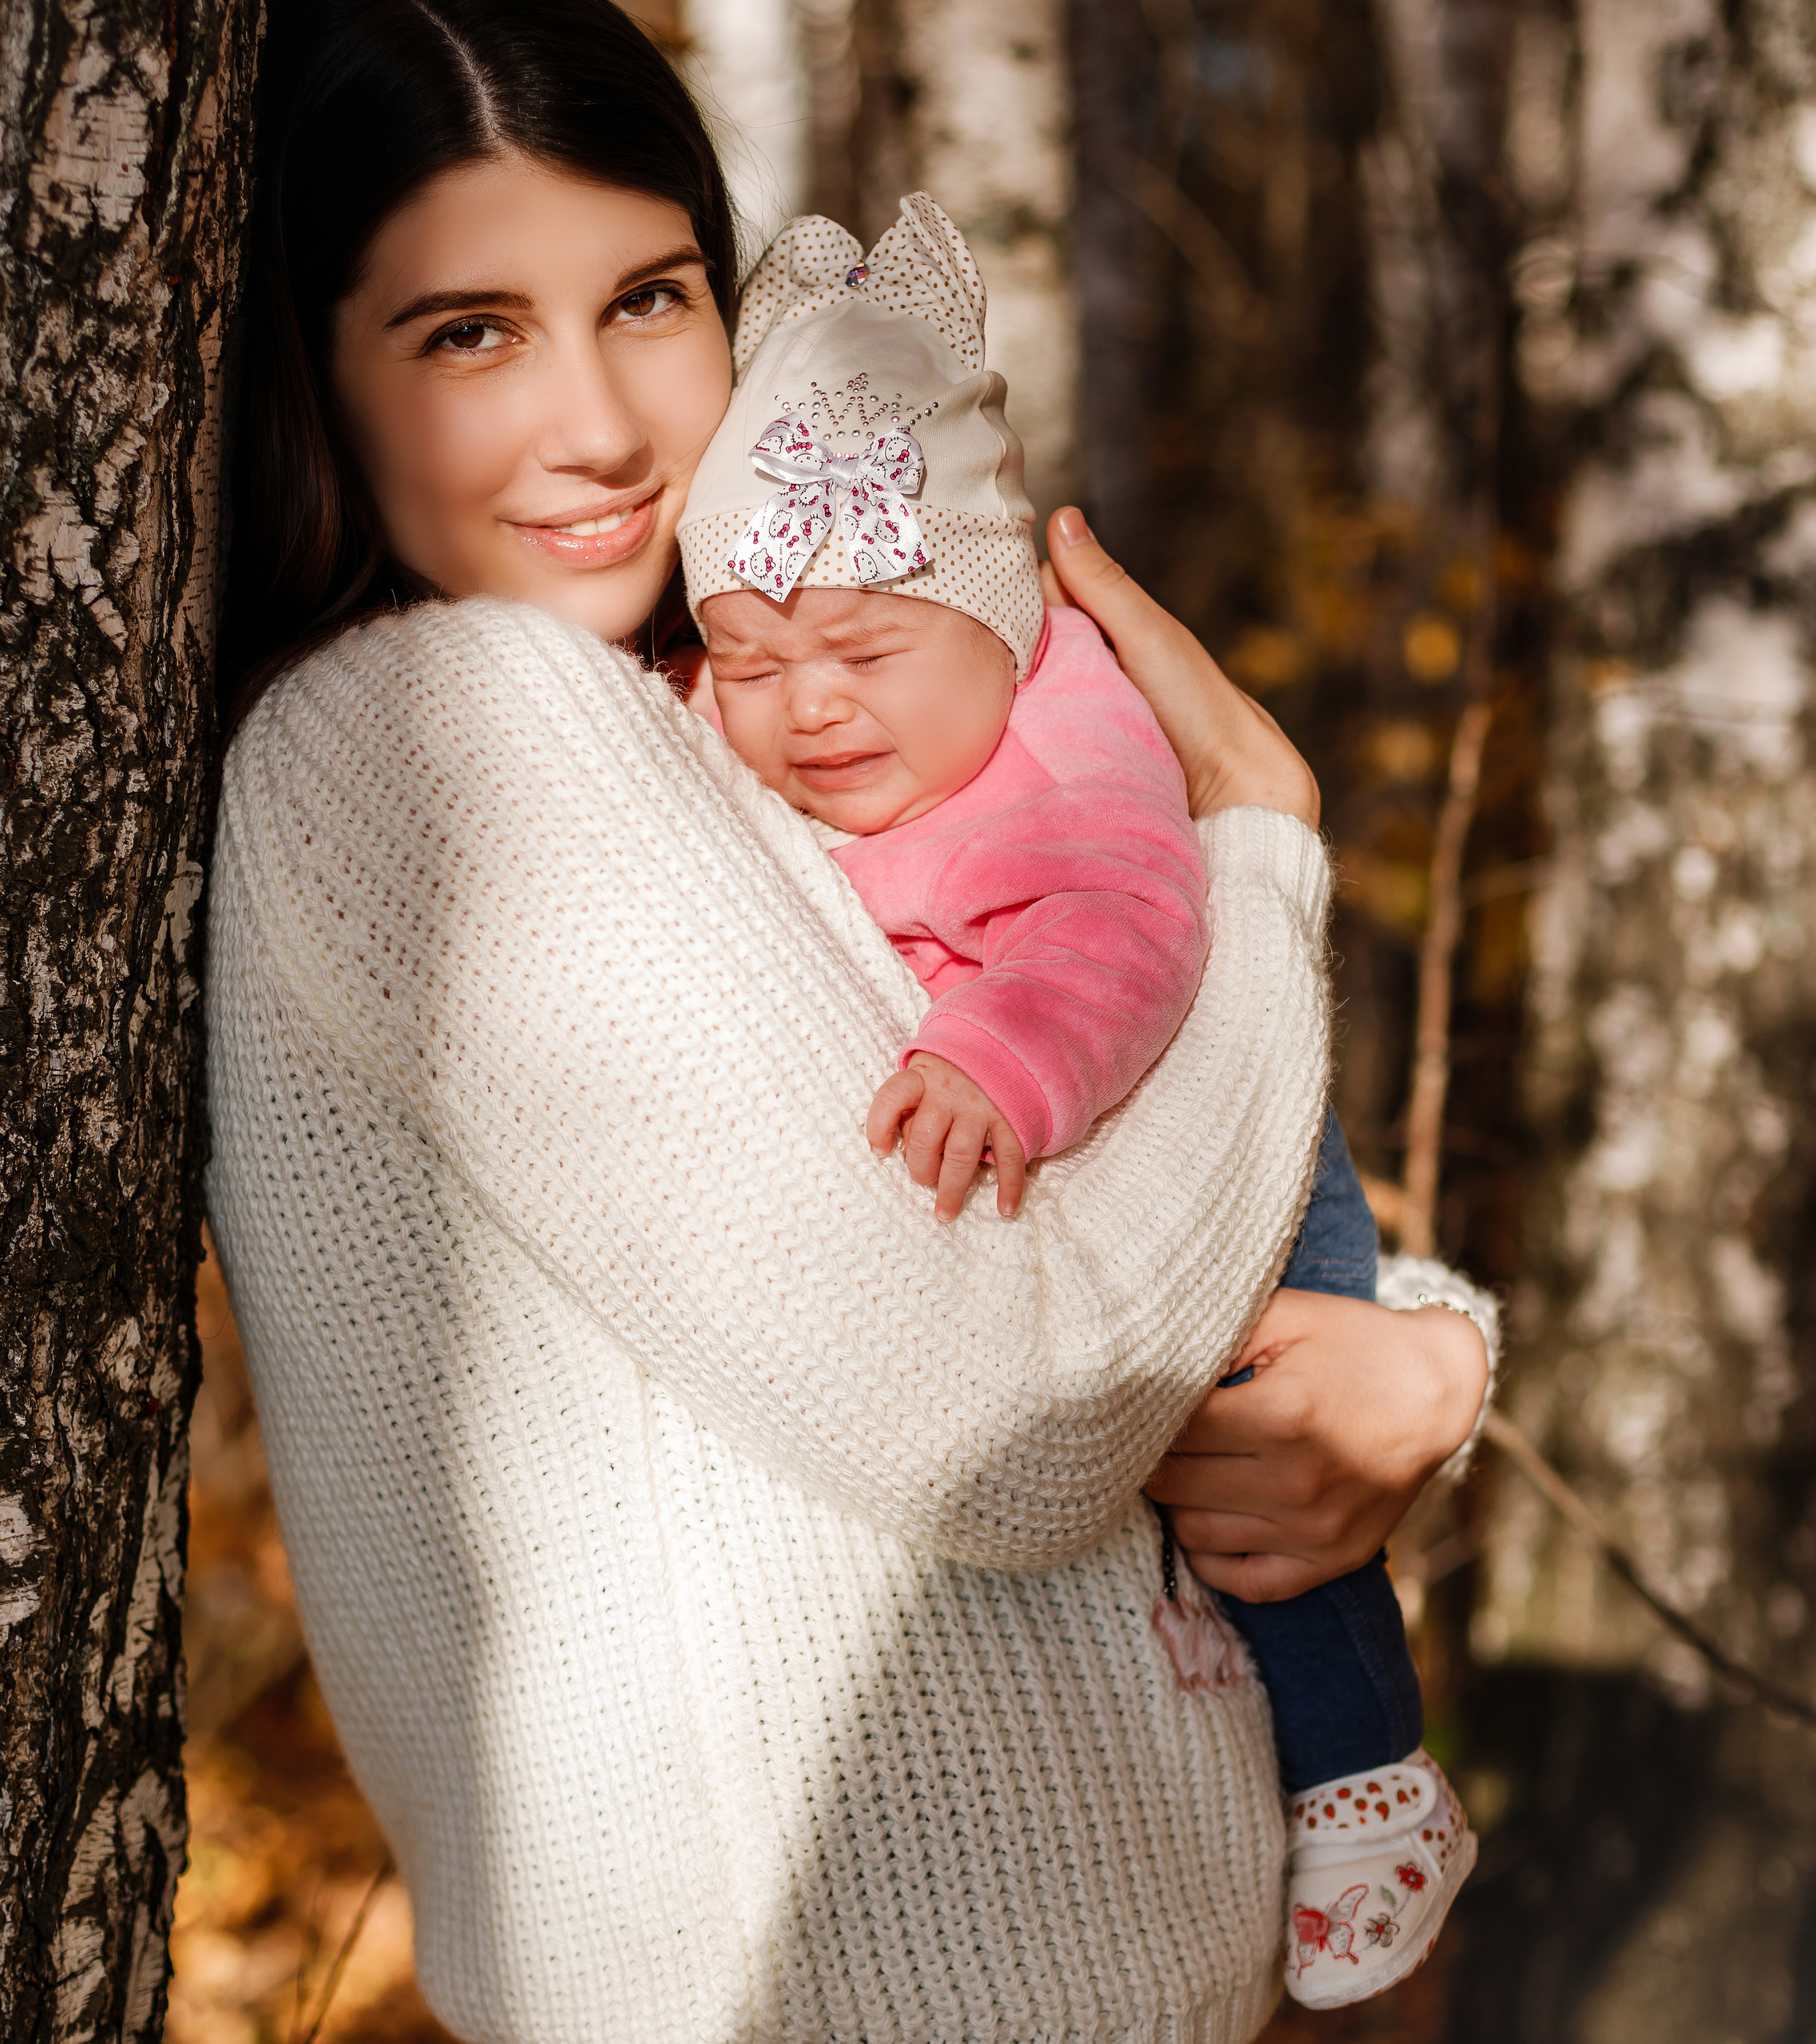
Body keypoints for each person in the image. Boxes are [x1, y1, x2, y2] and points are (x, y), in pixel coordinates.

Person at [207, 3, 1496, 2039]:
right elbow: (1027, 1402)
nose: (604, 425)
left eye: (646, 296)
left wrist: (1421, 1354)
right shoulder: (442, 738)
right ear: (312, 382)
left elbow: (1093, 1185)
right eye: (467, 332)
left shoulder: (729, 711)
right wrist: (1254, 853)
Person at [679, 193, 1477, 2007]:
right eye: (742, 656)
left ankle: (1367, 1779)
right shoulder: (825, 713)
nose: (806, 704)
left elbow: (1121, 934)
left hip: (1218, 1127)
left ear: (1001, 616)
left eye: (866, 651)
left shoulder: (1069, 738)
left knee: (1267, 1494)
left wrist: (993, 1060)